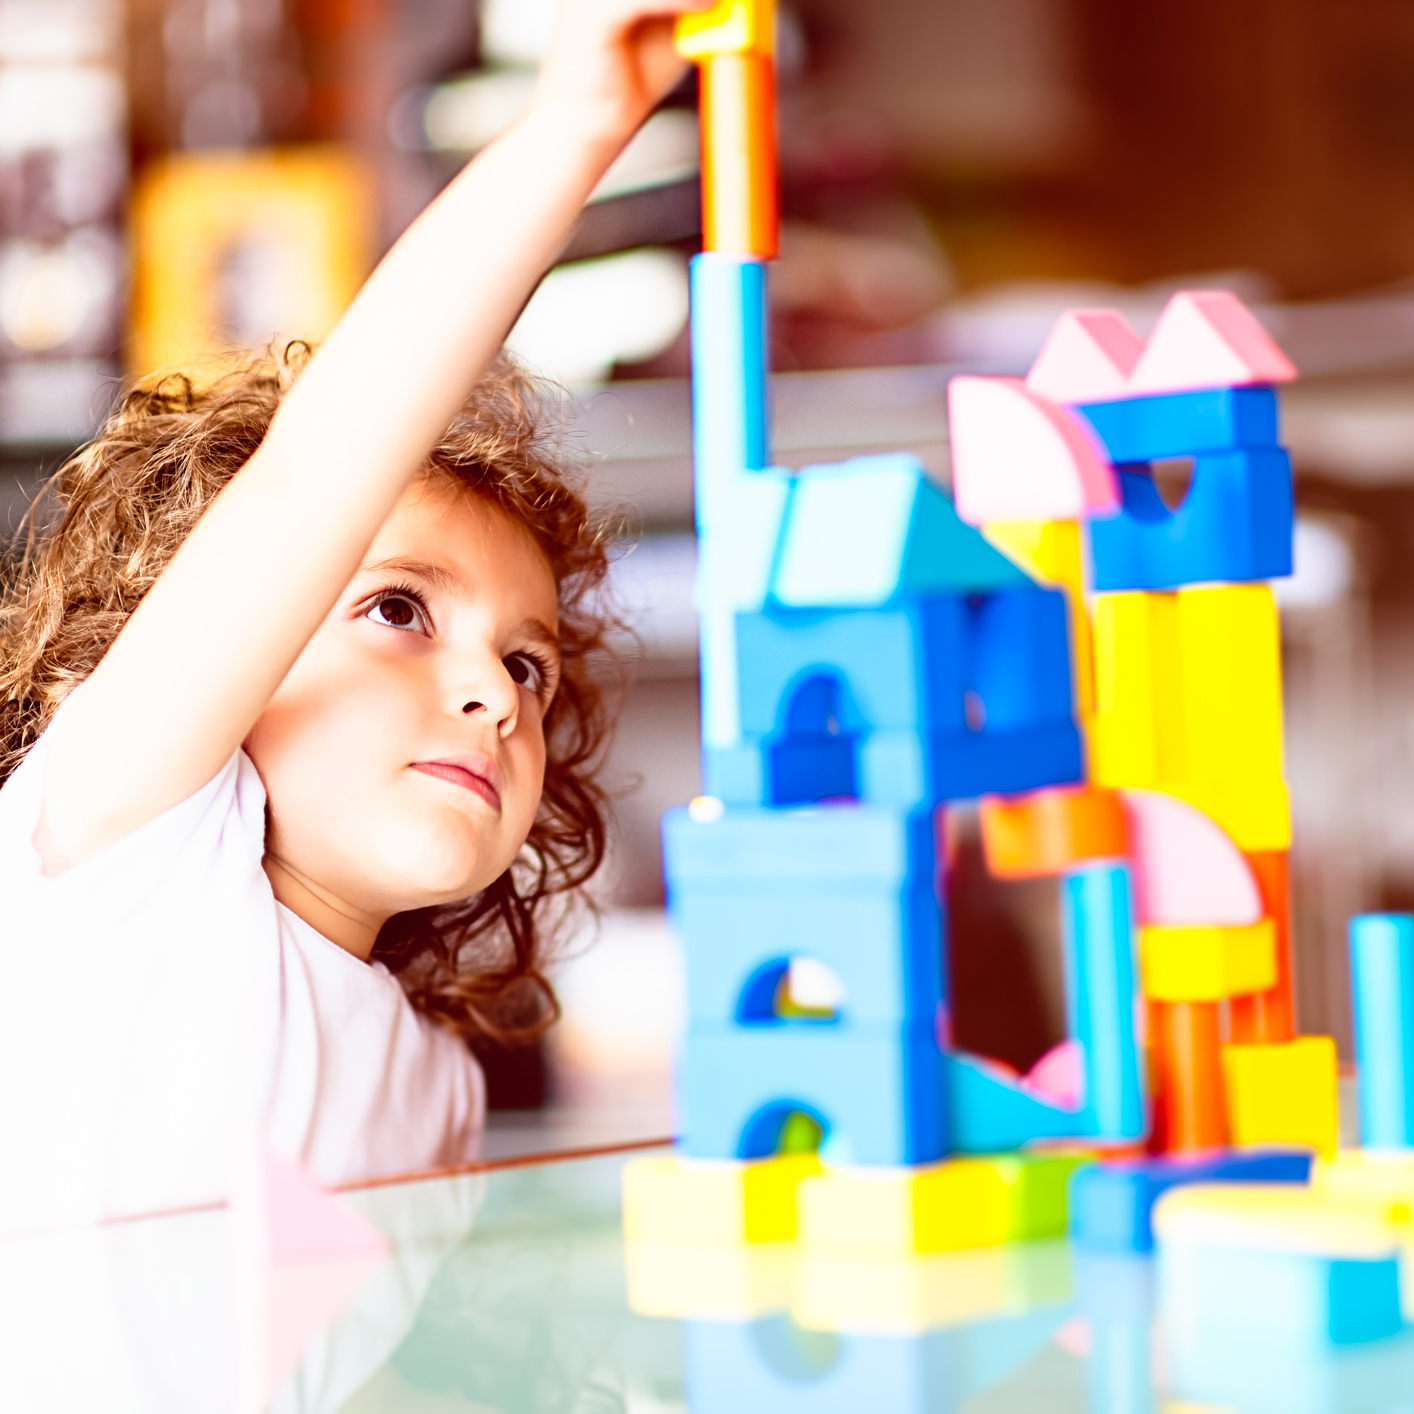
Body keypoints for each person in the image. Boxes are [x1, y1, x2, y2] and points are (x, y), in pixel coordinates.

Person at [0, 0, 704, 1230]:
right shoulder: (126, 857)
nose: (496, 694)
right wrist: (576, 126)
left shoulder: (438, 1093)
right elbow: (321, 464)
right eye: (398, 608)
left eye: (529, 668)